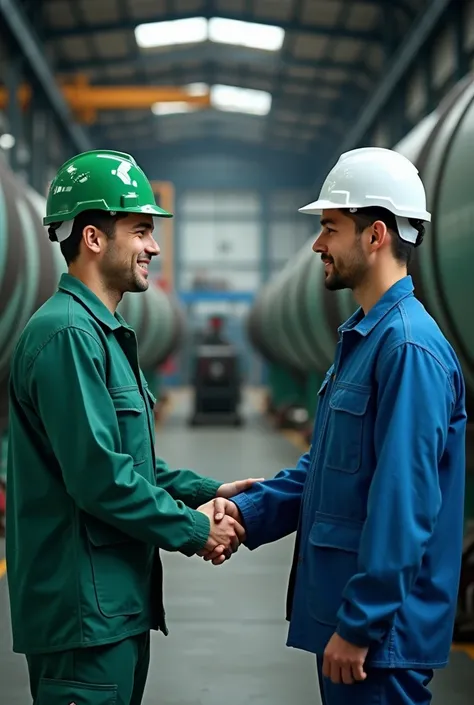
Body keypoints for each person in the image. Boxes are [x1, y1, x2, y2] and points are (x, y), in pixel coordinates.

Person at [203, 147, 467, 705]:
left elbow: (405, 502)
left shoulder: (408, 349)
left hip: (379, 640)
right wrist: (248, 513)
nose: (318, 245)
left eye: (329, 227)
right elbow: (326, 469)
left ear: (375, 236)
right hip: (352, 624)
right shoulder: (365, 338)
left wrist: (361, 625)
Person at [5, 149, 261, 705]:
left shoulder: (103, 332)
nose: (154, 247)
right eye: (142, 230)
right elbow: (99, 476)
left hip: (111, 606)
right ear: (94, 238)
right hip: (83, 614)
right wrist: (197, 531)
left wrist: (206, 492)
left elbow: (129, 460)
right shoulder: (68, 336)